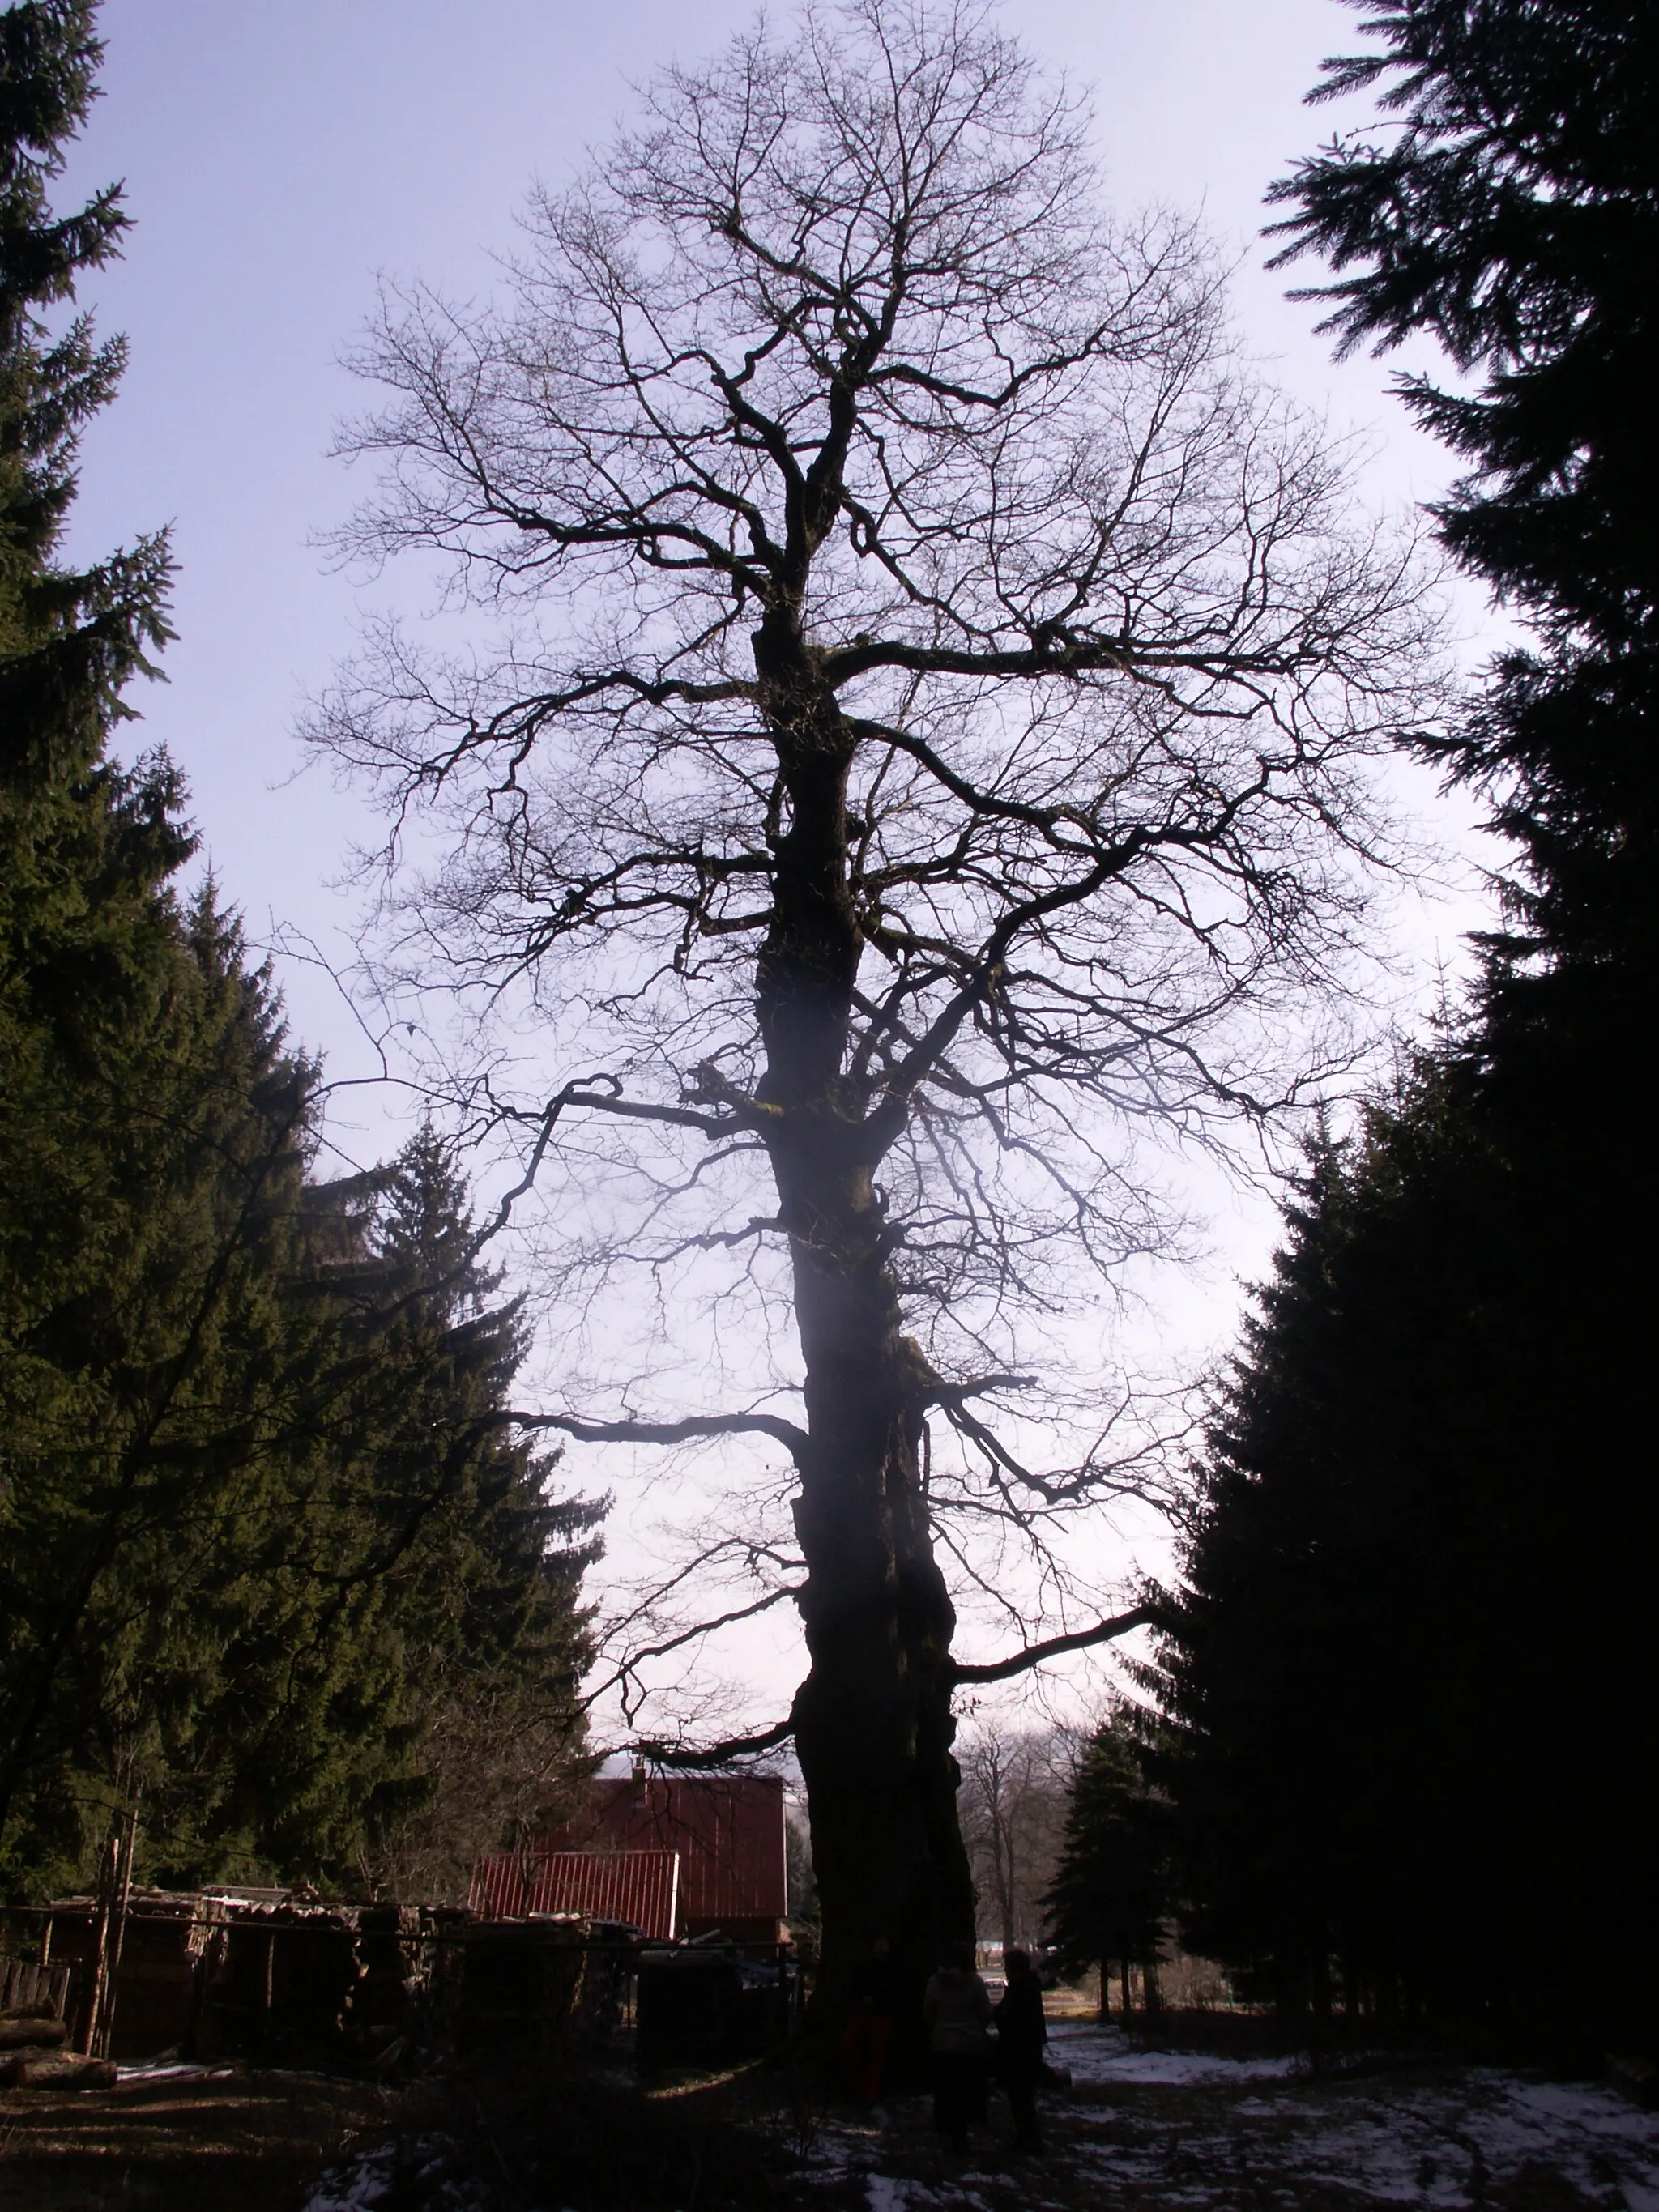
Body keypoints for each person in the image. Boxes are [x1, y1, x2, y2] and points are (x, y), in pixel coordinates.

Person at [923, 1941, 993, 2153]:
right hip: (970, 2044)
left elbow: (927, 2012)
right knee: (967, 2089)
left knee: (947, 2091)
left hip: (944, 2044)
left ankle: (950, 2131)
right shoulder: (975, 1983)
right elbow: (985, 2013)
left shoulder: (936, 1983)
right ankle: (965, 2130)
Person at [993, 1946, 1048, 2155]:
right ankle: (1027, 2139)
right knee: (1023, 2099)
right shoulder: (1028, 1986)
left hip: (1020, 2050)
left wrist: (999, 2016)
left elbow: (1012, 2018)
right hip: (1027, 2048)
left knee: (1021, 2098)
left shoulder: (1021, 1988)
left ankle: (1029, 2141)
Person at [839, 1936, 898, 2105]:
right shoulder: (865, 1969)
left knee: (875, 2055)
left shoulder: (889, 1971)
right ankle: (858, 2090)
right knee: (854, 2050)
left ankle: (868, 2092)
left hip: (881, 2015)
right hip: (863, 2014)